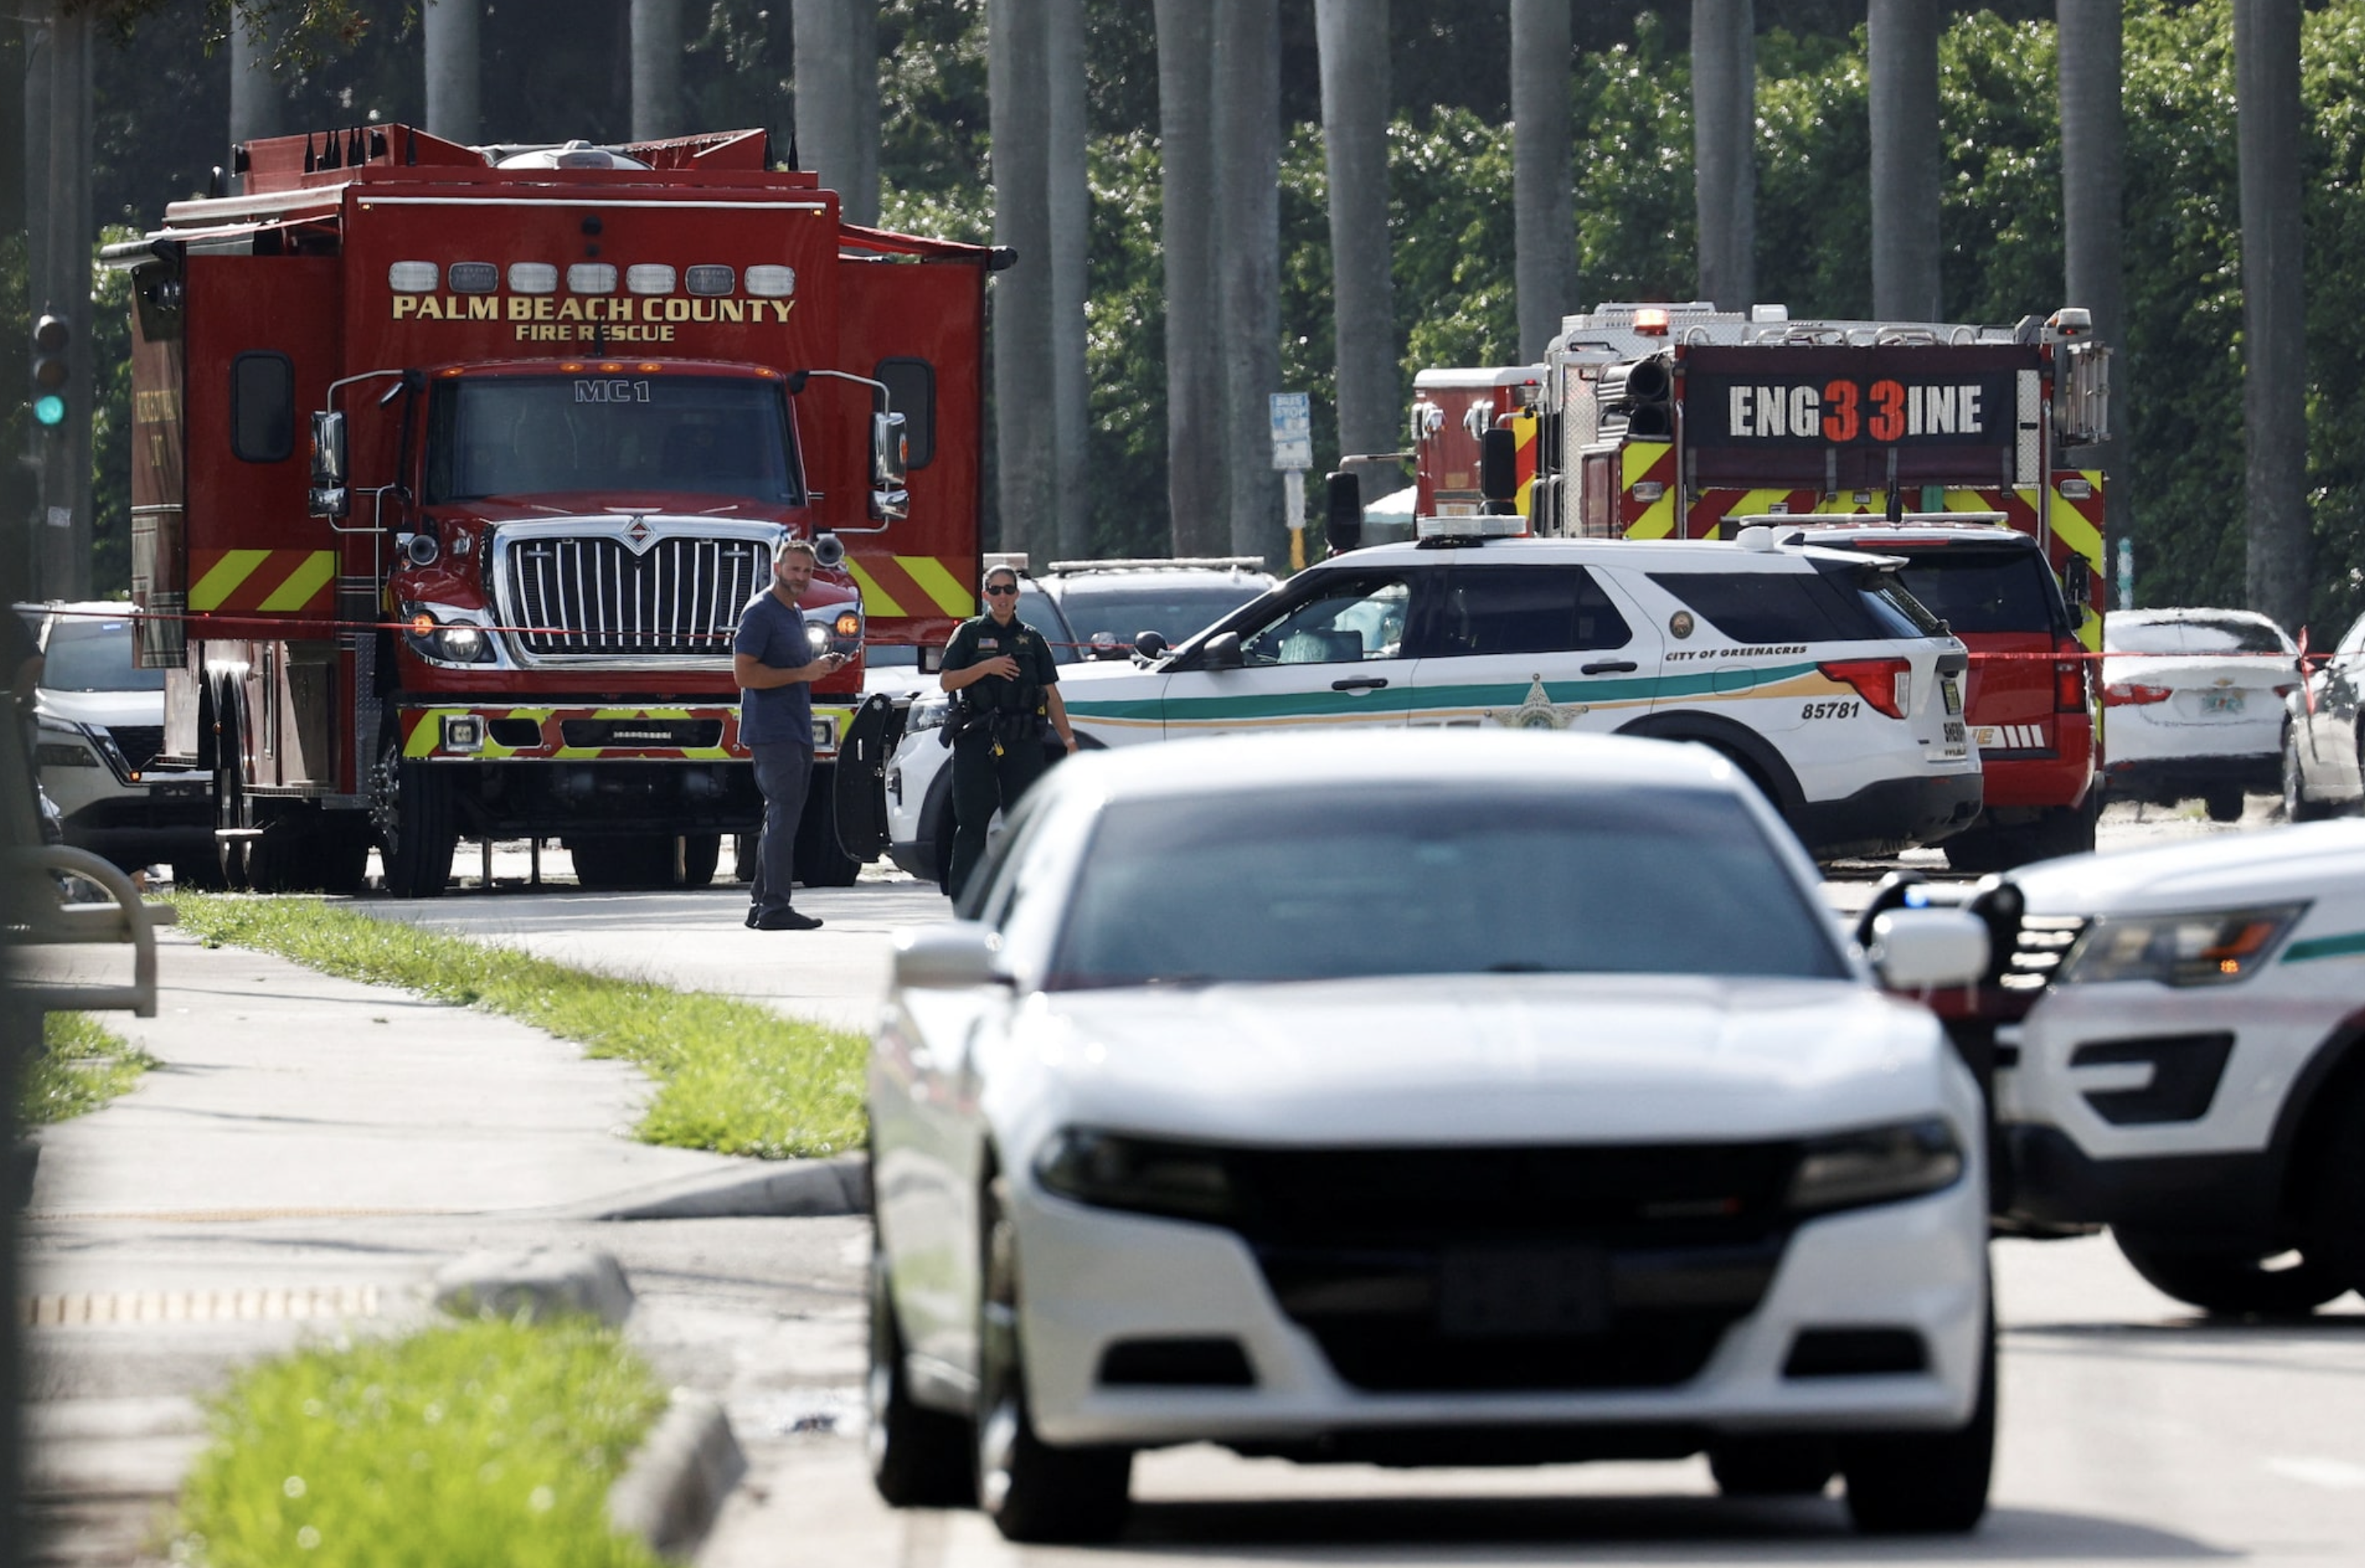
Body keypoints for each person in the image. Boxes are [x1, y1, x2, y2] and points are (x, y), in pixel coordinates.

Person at [940, 565, 1077, 902]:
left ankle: (1024, 897)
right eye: (995, 590)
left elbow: (1052, 694)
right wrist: (987, 666)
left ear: (1017, 595)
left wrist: (1070, 741)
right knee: (972, 822)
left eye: (1008, 589)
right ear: (985, 594)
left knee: (1025, 819)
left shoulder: (1032, 639)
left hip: (1022, 738)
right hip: (978, 736)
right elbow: (947, 681)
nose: (1002, 596)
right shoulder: (969, 634)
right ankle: (967, 900)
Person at [733, 537, 846, 930]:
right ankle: (775, 908)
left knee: (782, 815)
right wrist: (803, 673)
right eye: (794, 569)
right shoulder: (760, 612)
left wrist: (818, 666)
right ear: (778, 568)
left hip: (795, 725)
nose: (801, 577)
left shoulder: (793, 611)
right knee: (782, 815)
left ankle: (761, 905)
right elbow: (744, 673)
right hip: (772, 729)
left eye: (808, 571)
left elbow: (789, 669)